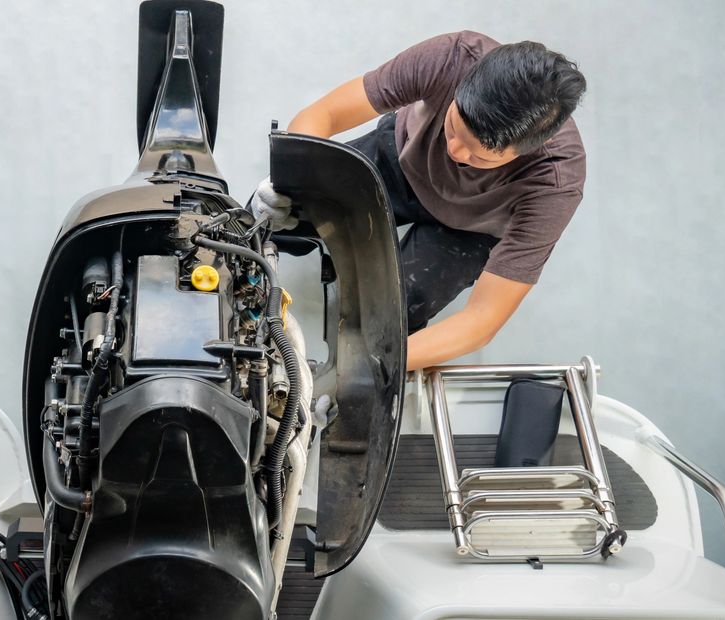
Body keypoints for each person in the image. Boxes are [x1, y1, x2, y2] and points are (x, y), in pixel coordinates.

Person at [251, 31, 587, 371]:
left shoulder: (555, 182)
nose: (454, 151)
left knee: (387, 319)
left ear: (528, 151)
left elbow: (482, 320)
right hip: (401, 158)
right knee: (271, 218)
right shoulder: (452, 58)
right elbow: (325, 114)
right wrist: (295, 175)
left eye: (479, 156)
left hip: (469, 229)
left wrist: (377, 364)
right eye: (453, 127)